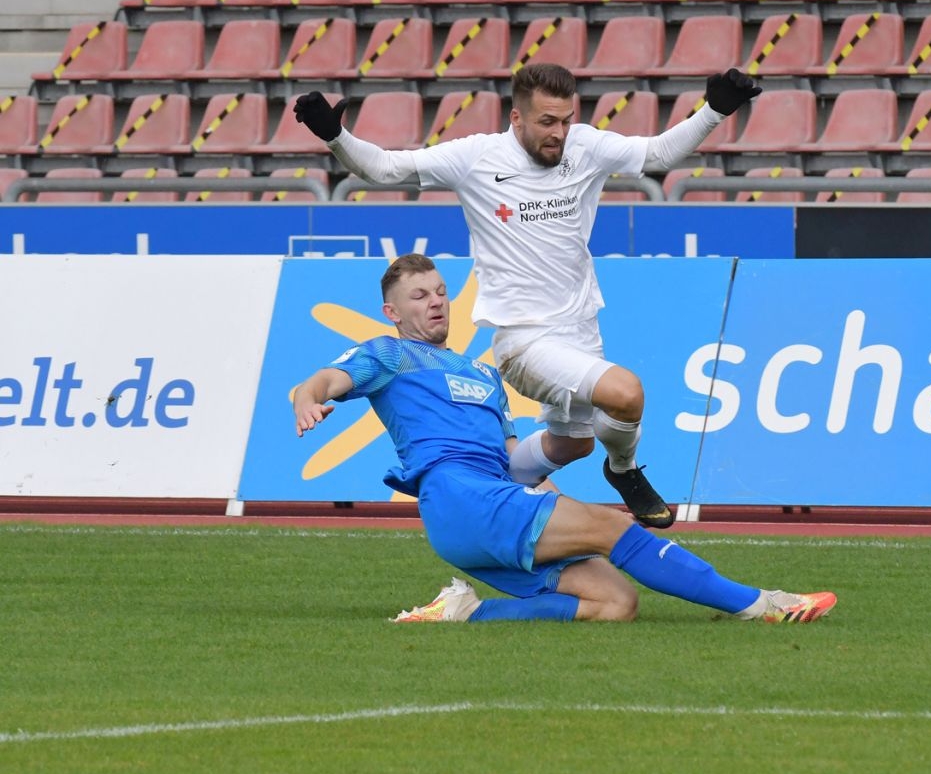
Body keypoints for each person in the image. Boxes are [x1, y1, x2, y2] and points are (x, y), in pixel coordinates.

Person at [292, 62, 762, 530]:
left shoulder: (586, 146)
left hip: (581, 328)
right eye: (546, 122)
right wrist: (335, 135)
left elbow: (658, 154)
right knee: (626, 393)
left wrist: (715, 109)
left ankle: (477, 493)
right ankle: (624, 471)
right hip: (524, 340)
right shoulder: (476, 157)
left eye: (565, 120)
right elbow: (385, 169)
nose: (559, 133)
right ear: (516, 118)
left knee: (572, 444)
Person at [292, 253, 835, 627]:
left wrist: (551, 471)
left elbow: (510, 460)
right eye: (418, 296)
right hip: (459, 499)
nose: (435, 302)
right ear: (393, 312)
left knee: (615, 602)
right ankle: (760, 605)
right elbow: (323, 381)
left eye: (440, 291)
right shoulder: (389, 354)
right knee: (612, 526)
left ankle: (464, 613)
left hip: (491, 500)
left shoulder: (483, 377)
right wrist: (307, 400)